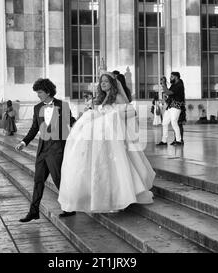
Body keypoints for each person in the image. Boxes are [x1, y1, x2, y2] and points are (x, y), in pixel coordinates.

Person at [58, 72, 155, 213]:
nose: (103, 84)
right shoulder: (102, 98)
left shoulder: (118, 97)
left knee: (116, 166)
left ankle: (119, 197)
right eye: (101, 81)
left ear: (112, 84)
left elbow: (132, 112)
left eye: (106, 81)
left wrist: (111, 116)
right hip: (101, 137)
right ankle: (102, 195)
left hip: (112, 136)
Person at [15, 79, 76, 222]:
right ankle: (33, 211)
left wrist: (86, 121)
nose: (38, 95)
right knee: (38, 180)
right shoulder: (37, 108)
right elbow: (34, 128)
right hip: (42, 150)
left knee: (59, 179)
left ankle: (69, 208)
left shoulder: (63, 105)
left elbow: (71, 121)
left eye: (40, 92)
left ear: (48, 92)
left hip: (57, 149)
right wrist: (24, 142)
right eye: (37, 93)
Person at [157, 72, 185, 146]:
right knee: (164, 123)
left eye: (172, 77)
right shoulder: (174, 85)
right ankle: (164, 141)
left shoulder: (179, 85)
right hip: (170, 106)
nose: (170, 78)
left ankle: (179, 140)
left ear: (176, 77)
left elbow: (168, 92)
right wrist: (164, 84)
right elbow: (167, 93)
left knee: (174, 122)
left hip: (176, 107)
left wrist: (163, 84)